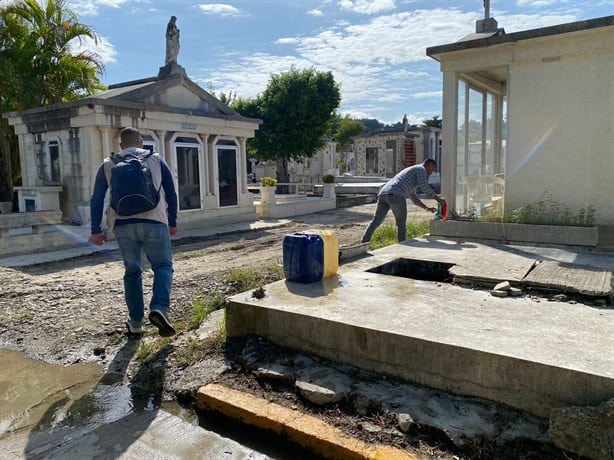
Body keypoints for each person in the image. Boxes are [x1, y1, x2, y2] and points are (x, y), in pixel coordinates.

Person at [89, 127, 178, 337]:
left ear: (120, 146)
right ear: (141, 142)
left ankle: (136, 324)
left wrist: (96, 230)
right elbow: (171, 192)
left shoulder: (108, 164)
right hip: (155, 221)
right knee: (163, 266)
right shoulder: (156, 159)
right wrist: (172, 221)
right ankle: (159, 308)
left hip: (122, 225)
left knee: (132, 271)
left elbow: (97, 198)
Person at [361, 159, 445, 243]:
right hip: (396, 195)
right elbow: (425, 187)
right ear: (429, 165)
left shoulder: (411, 172)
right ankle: (402, 244)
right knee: (401, 225)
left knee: (376, 221)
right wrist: (438, 199)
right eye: (432, 170)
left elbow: (413, 197)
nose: (431, 173)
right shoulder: (421, 169)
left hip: (383, 194)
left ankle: (364, 242)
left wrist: (427, 208)